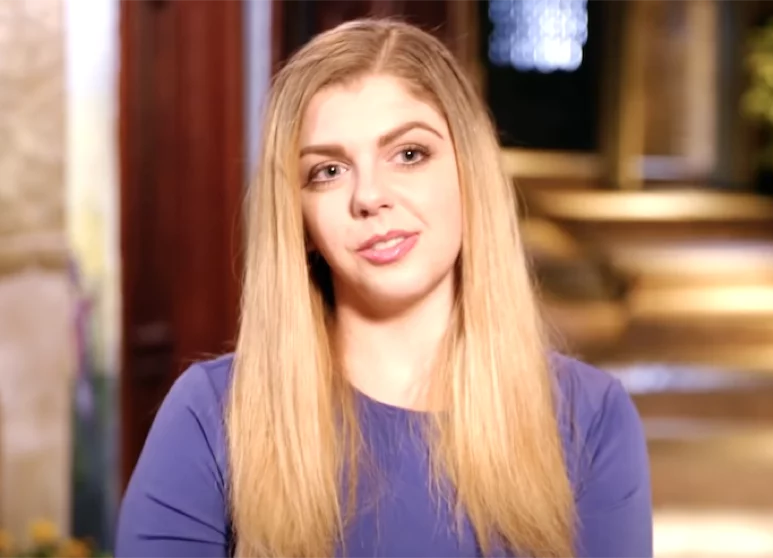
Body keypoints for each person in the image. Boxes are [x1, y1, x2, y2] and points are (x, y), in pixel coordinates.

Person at [115, 19, 652, 558]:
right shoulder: (211, 417)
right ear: (299, 220)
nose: (369, 196)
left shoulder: (590, 419)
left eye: (409, 154)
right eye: (328, 171)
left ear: (471, 173)